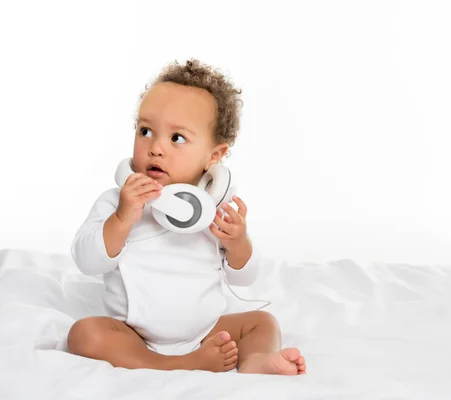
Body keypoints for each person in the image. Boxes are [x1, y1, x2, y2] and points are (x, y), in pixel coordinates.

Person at [66, 59, 306, 375]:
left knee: (263, 322)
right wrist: (123, 219)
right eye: (146, 131)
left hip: (206, 330)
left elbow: (244, 278)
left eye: (177, 138)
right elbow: (86, 261)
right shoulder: (116, 202)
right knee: (84, 334)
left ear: (214, 156)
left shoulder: (212, 210)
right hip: (133, 334)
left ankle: (254, 361)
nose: (155, 148)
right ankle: (172, 364)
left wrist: (238, 242)